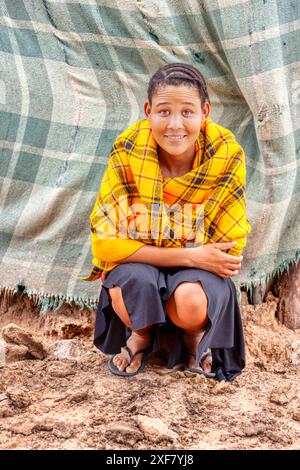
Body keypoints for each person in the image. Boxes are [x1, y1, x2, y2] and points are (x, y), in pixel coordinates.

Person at [83, 63, 252, 381]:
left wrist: (142, 241)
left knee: (190, 299)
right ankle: (141, 337)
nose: (175, 125)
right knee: (129, 285)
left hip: (196, 277)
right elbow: (104, 243)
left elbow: (227, 252)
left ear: (205, 112)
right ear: (148, 111)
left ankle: (194, 338)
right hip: (163, 266)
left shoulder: (226, 155)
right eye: (164, 111)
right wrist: (191, 252)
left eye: (187, 112)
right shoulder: (127, 150)